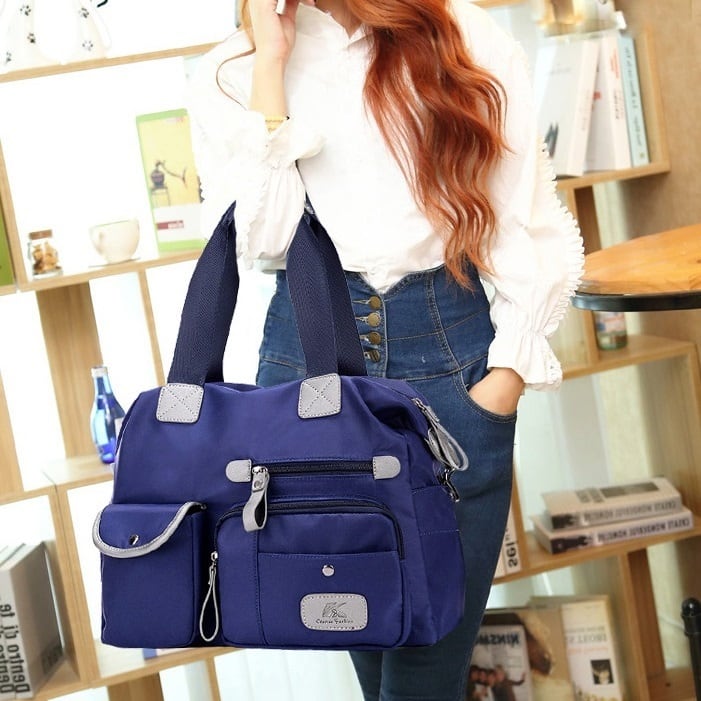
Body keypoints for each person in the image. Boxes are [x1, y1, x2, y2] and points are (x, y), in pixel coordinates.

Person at [187, 0, 584, 697]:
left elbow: (520, 216)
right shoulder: (232, 70)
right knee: (363, 643)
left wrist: (506, 375)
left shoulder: (461, 31)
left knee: (429, 664)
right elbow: (263, 238)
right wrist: (271, 64)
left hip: (449, 348)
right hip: (306, 358)